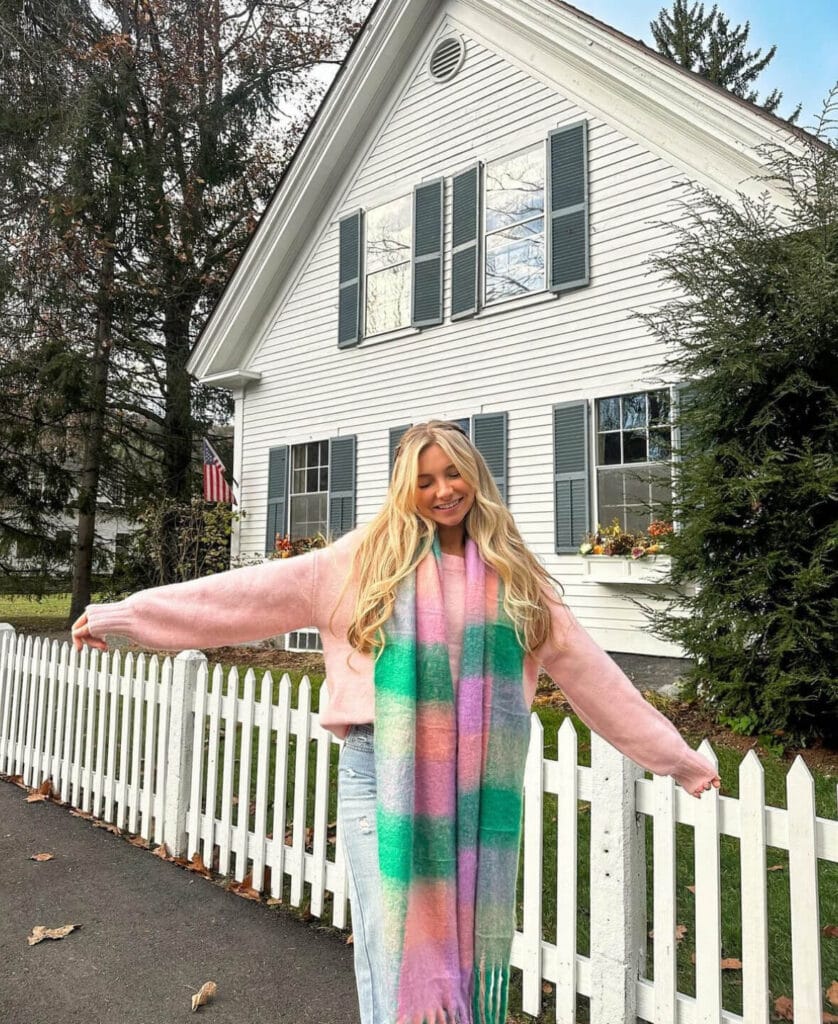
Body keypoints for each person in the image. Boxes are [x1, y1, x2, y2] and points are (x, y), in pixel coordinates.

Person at [72, 419, 720, 1024]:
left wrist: (679, 759)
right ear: (405, 489)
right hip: (375, 772)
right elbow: (243, 598)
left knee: (455, 949)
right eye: (426, 480)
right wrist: (125, 617)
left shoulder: (516, 579)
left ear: (477, 480)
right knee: (392, 945)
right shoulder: (362, 562)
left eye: (454, 475)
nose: (444, 491)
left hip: (474, 787)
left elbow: (593, 677)